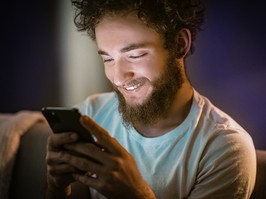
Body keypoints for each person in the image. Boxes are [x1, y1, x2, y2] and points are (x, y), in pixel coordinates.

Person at [45, 0, 256, 198]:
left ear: (179, 44)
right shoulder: (91, 113)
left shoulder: (225, 149)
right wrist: (56, 185)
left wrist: (135, 194)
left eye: (135, 55)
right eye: (107, 59)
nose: (118, 78)